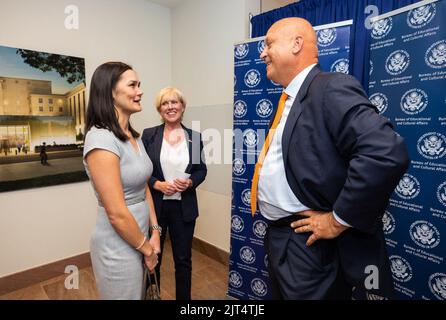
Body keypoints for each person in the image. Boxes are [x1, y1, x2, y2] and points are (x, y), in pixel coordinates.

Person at [251, 18, 409, 300]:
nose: (262, 53)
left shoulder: (330, 87)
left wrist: (337, 221)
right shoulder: (289, 99)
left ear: (296, 44)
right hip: (281, 240)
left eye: (269, 44)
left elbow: (385, 152)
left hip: (308, 246)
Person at [83, 61, 161, 299]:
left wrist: (154, 231)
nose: (140, 91)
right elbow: (116, 213)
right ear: (110, 92)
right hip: (117, 247)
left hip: (140, 238)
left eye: (140, 85)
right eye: (133, 85)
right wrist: (147, 249)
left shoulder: (133, 137)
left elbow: (144, 187)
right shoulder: (101, 139)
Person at [142, 87, 207, 300]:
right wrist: (157, 184)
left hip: (183, 208)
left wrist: (190, 182)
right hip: (156, 209)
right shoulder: (149, 135)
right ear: (159, 109)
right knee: (153, 256)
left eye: (174, 102)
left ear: (182, 106)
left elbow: (201, 170)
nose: (170, 107)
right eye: (165, 103)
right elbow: (140, 171)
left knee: (183, 260)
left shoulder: (194, 137)